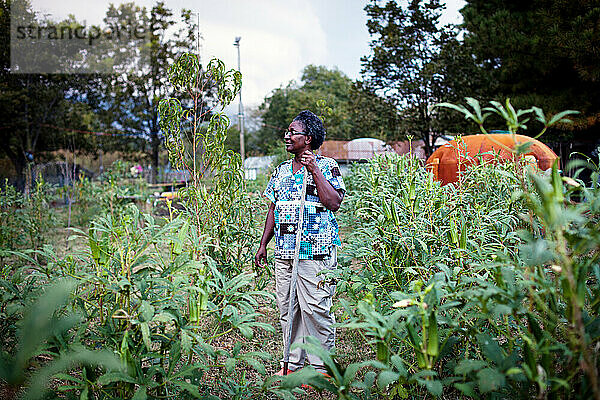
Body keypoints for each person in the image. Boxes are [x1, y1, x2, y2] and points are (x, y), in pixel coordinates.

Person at [254, 110, 346, 375]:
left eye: (292, 132)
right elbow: (273, 208)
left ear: (308, 138)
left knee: (316, 309)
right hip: (285, 250)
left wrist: (313, 169)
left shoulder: (327, 166)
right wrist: (263, 244)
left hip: (315, 251)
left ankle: (321, 368)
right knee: (289, 309)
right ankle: (292, 365)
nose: (287, 136)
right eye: (287, 131)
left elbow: (334, 203)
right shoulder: (281, 171)